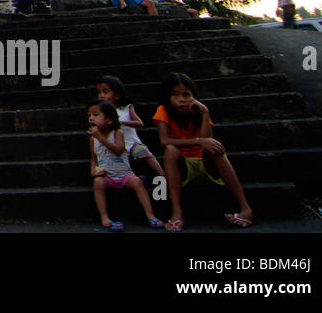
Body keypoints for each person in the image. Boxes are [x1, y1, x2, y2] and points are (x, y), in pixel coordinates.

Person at [153, 71, 253, 230]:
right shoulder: (163, 110)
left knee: (214, 147)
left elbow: (208, 140)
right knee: (171, 150)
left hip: (207, 165)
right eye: (175, 95)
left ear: (193, 95)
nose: (181, 99)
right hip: (184, 167)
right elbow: (164, 141)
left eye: (186, 95)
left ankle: (245, 208)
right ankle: (177, 213)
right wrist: (198, 141)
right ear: (167, 97)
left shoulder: (199, 111)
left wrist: (205, 114)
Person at [88, 99, 164, 231]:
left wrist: (101, 138)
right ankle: (104, 217)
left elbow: (118, 150)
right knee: (98, 183)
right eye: (89, 115)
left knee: (137, 183)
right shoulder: (92, 140)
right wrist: (93, 171)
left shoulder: (118, 133)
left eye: (95, 115)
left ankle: (150, 215)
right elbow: (94, 159)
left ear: (109, 120)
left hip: (125, 175)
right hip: (108, 176)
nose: (91, 118)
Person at [95, 75, 164, 181]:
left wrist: (122, 122)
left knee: (145, 154)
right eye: (99, 93)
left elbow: (139, 123)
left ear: (117, 95)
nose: (101, 96)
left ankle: (162, 174)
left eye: (105, 92)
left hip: (132, 143)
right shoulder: (102, 114)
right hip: (118, 146)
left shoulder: (126, 108)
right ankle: (139, 178)